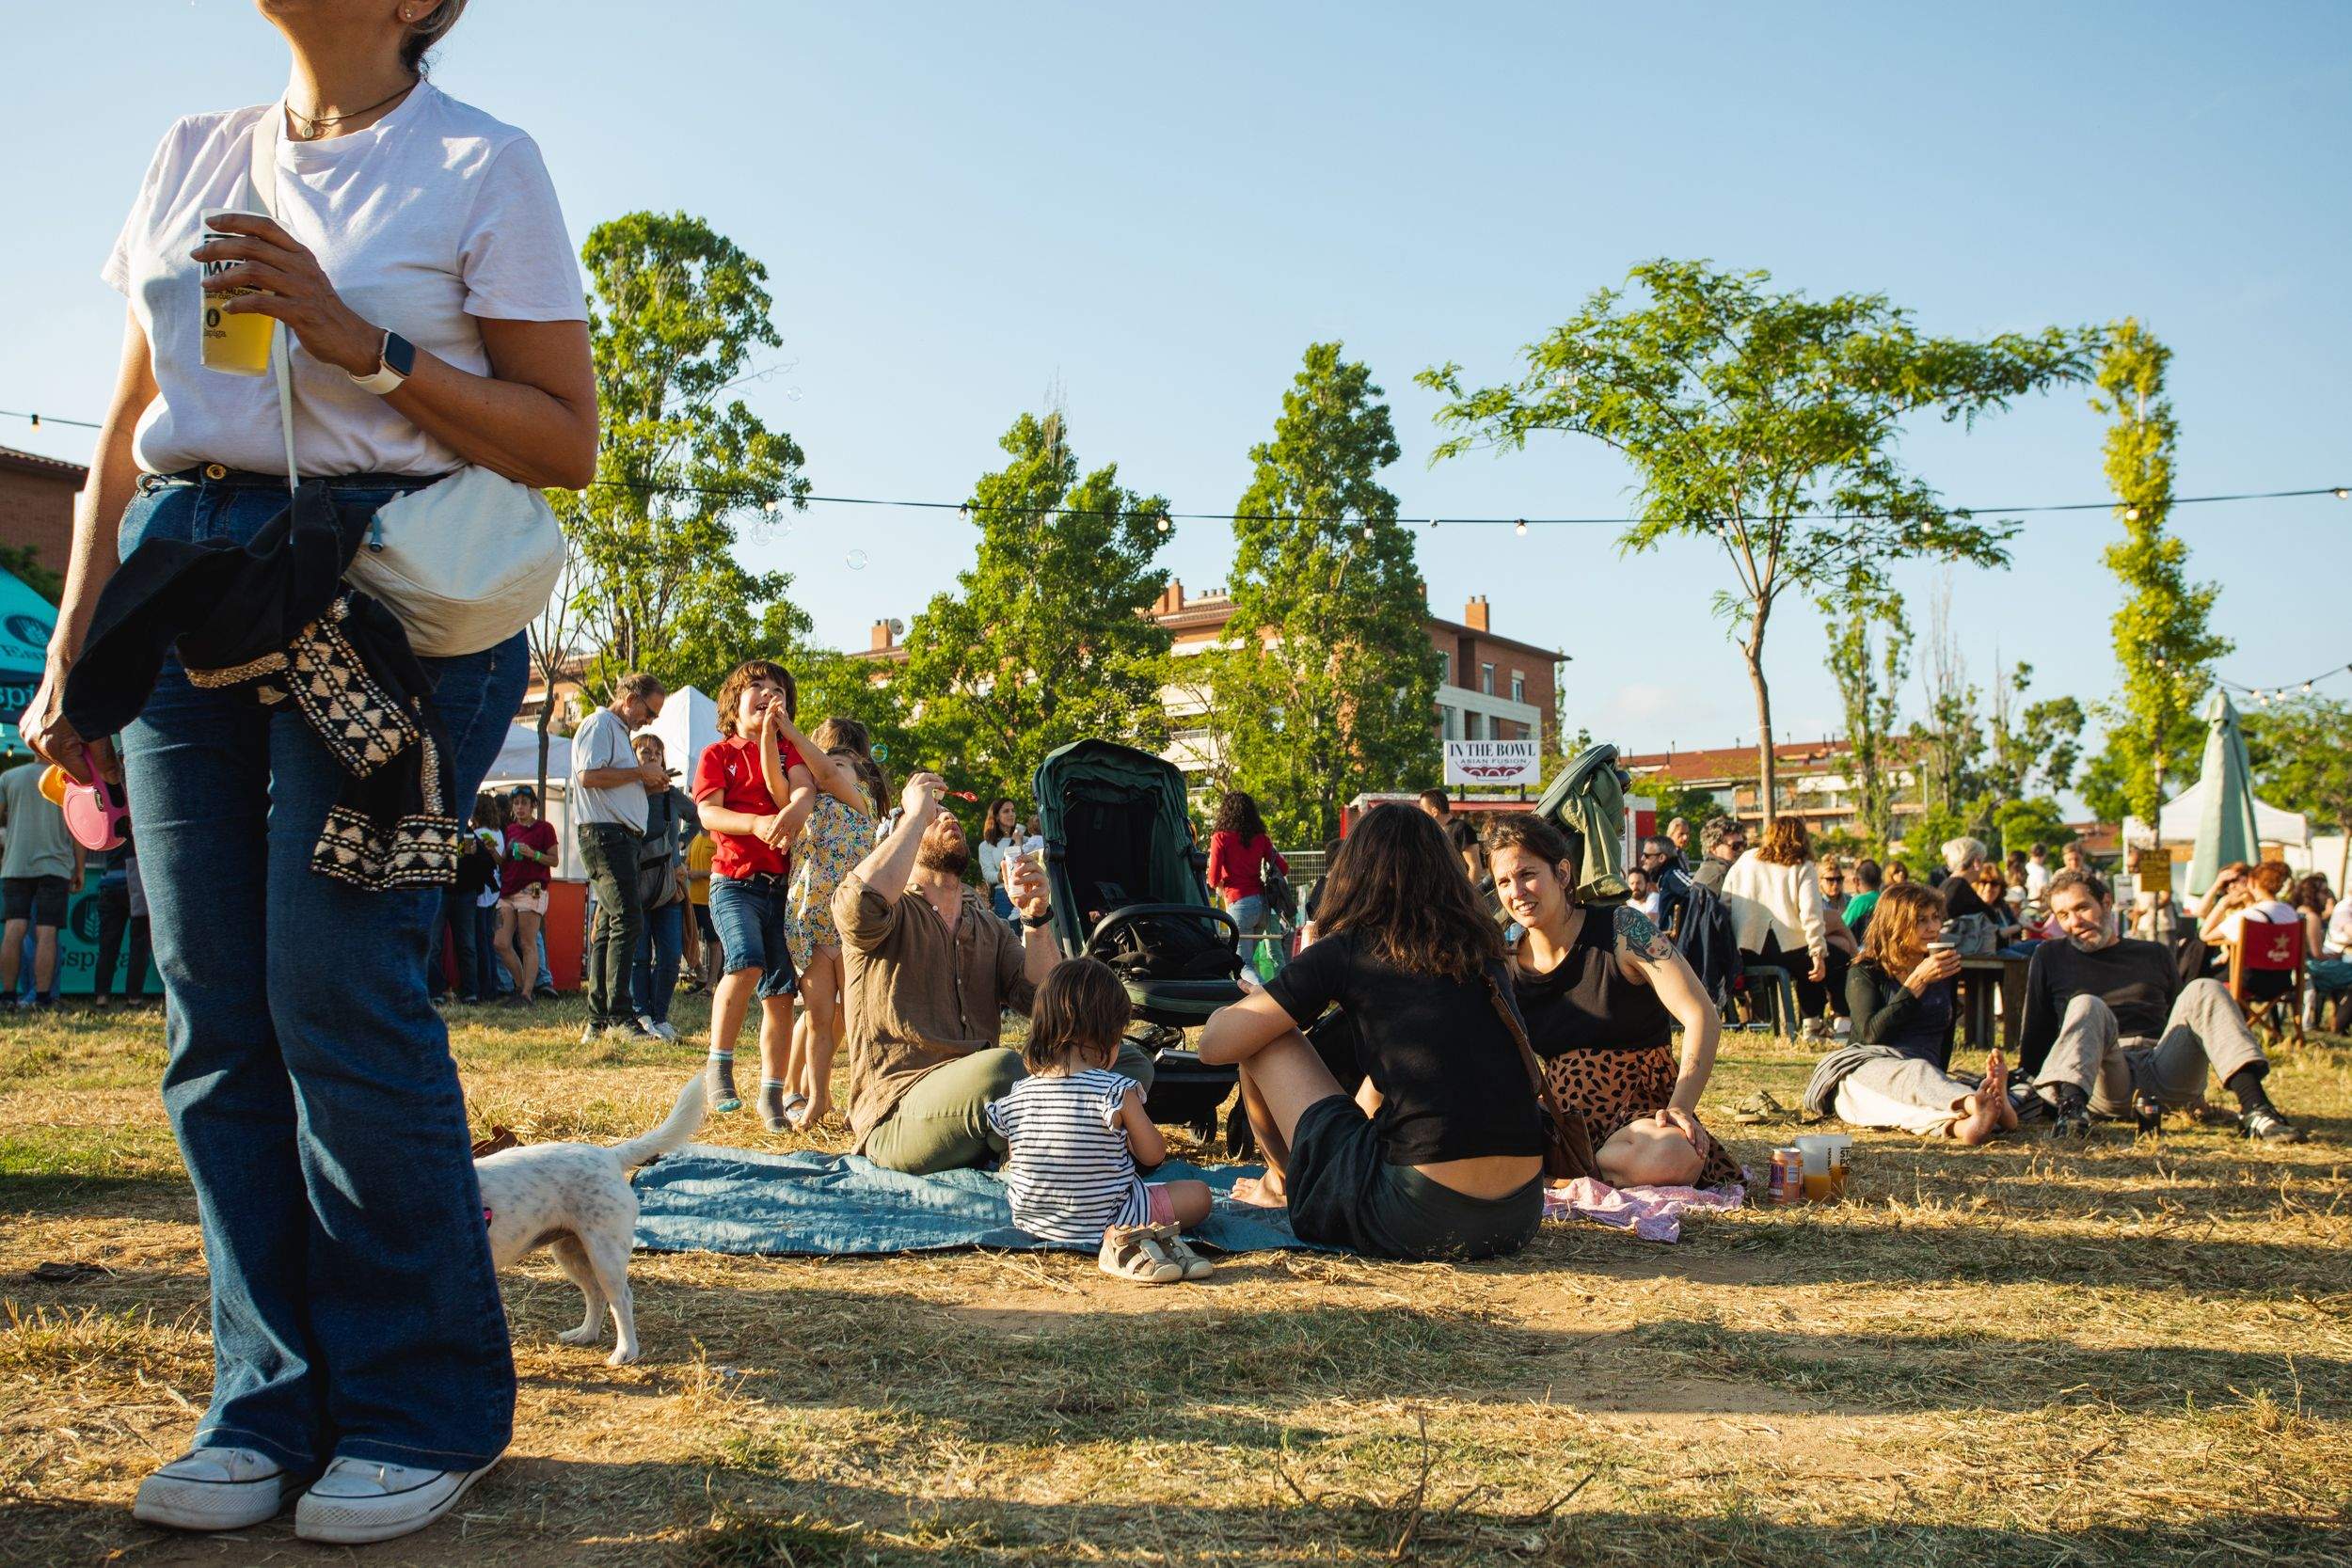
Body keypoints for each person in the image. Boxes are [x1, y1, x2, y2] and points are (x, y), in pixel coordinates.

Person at [18, 0, 598, 1539]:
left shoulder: (484, 160)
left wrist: (362, 341)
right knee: (216, 1009)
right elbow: (123, 428)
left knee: (337, 983)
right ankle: (265, 1403)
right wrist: (75, 647)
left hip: (387, 593)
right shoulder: (188, 151)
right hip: (187, 569)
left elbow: (566, 438)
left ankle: (424, 1406)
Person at [1197, 804, 1546, 1261]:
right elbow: (1421, 1071)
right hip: (1519, 1213)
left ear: (1355, 871)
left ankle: (1283, 1184)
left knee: (1261, 1038)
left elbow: (1215, 1046)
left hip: (1420, 1215)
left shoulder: (1352, 948)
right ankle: (1286, 1181)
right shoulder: (1483, 952)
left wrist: (1258, 998)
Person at [840, 770, 1145, 1174]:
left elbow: (1046, 1005)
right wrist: (914, 814)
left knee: (1127, 1060)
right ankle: (1070, 1146)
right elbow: (860, 905)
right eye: (930, 816)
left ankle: (1045, 1146)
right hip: (899, 1112)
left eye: (946, 813)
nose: (945, 816)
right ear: (902, 837)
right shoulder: (889, 914)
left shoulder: (987, 925)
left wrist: (1035, 918)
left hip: (992, 1099)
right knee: (1001, 1070)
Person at [1486, 813, 1737, 1190]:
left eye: (1527, 874)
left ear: (1563, 873)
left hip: (1639, 1115)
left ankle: (1561, 1179)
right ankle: (1569, 1174)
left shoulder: (1623, 929)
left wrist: (1681, 1106)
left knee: (1674, 1151)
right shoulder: (1505, 960)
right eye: (1504, 882)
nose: (1516, 892)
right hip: (1559, 1119)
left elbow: (1701, 1014)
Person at [2016, 871, 2305, 1143]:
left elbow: (2186, 1018)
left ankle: (2256, 1109)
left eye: (2081, 908)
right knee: (2086, 1003)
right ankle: (2072, 1114)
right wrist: (2035, 1093)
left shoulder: (2153, 952)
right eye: (2063, 915)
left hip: (2162, 1067)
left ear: (2106, 903)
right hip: (2103, 1075)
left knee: (2204, 988)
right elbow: (2036, 1036)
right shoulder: (2050, 956)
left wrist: (2198, 1098)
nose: (2074, 922)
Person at [692, 659, 852, 1129]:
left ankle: (772, 1093)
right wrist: (756, 824)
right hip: (733, 883)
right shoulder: (717, 754)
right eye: (756, 686)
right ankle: (718, 1066)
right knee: (744, 961)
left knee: (781, 995)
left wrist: (797, 809)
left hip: (780, 891)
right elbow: (709, 815)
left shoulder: (789, 755)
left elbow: (804, 793)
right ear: (732, 703)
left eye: (777, 688)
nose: (768, 692)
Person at [985, 958, 1215, 1281]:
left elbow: (1018, 1155)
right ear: (1109, 1037)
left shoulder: (1018, 1093)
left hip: (1034, 1221)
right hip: (1112, 1216)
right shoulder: (1116, 1091)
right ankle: (1125, 1239)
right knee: (1200, 1195)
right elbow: (1154, 1154)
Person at [1808, 883, 2014, 1144]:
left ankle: (1972, 1119)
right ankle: (1974, 1108)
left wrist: (1939, 1076)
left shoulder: (1942, 970)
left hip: (1927, 1078)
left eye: (1935, 917)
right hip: (1870, 1068)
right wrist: (1915, 984)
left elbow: (1945, 1036)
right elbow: (1870, 1035)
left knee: (1911, 1094)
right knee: (1894, 1091)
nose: (1934, 927)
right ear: (1895, 924)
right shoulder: (1865, 971)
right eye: (1921, 920)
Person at [781, 717, 888, 1131]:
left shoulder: (857, 801)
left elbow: (825, 771)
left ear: (859, 775)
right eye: (826, 763)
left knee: (858, 1020)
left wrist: (785, 728)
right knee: (818, 1016)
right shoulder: (805, 803)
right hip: (809, 924)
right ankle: (816, 1097)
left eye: (842, 764)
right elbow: (786, 782)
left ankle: (858, 1099)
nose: (829, 769)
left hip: (847, 927)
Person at [570, 673, 668, 1043]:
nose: (650, 721)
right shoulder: (599, 724)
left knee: (612, 924)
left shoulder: (615, 731)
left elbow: (607, 777)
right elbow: (589, 775)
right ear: (630, 698)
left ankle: (600, 1020)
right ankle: (618, 1017)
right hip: (605, 835)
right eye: (650, 711)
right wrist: (639, 773)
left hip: (616, 836)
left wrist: (644, 781)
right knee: (627, 918)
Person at [1723, 817, 1839, 1028]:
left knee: (1810, 960)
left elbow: (1725, 903)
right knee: (1834, 959)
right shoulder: (1802, 866)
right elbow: (1811, 913)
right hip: (1788, 948)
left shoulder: (1746, 859)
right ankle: (1816, 1023)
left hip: (1746, 950)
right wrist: (1817, 952)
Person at [1, 759, 83, 1010]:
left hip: (16, 864)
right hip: (54, 866)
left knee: (14, 929)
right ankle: (43, 998)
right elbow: (78, 829)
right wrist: (79, 868)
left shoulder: (9, 777)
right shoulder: (68, 780)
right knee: (46, 932)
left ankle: (7, 998)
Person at [628, 733, 692, 1042]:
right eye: (644, 752)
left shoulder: (672, 796)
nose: (652, 756)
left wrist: (681, 846)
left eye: (657, 752)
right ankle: (641, 1015)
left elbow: (699, 817)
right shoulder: (626, 794)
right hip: (636, 885)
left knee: (670, 954)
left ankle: (660, 1016)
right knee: (639, 956)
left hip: (668, 887)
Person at [495, 785, 557, 1005]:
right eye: (516, 803)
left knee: (527, 942)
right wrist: (492, 850)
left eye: (524, 802)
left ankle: (526, 994)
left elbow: (554, 860)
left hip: (531, 889)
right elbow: (504, 861)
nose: (519, 807)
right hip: (508, 890)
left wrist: (534, 853)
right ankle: (522, 988)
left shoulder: (545, 828)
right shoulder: (510, 829)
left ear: (533, 805)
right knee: (500, 942)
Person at [1207, 789, 1288, 935]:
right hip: (1262, 906)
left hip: (1239, 906)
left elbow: (1212, 880)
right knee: (1247, 956)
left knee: (1242, 958)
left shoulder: (1220, 838)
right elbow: (1284, 868)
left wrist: (1223, 884)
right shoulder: (1261, 838)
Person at [91, 830, 154, 1006]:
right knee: (139, 944)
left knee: (107, 945)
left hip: (110, 880)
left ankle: (101, 996)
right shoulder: (139, 814)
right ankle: (134, 998)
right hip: (137, 882)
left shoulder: (110, 816)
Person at [2201, 860, 2296, 948]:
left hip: (2252, 964)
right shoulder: (2290, 912)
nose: (2231, 886)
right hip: (2283, 964)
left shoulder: (2247, 916)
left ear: (2253, 882)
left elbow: (2205, 935)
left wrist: (2222, 905)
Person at [977, 798, 1024, 923]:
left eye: (1013, 810)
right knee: (1011, 937)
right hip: (1004, 894)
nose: (1011, 814)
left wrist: (1019, 841)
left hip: (1028, 890)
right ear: (996, 816)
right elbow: (988, 875)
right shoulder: (986, 846)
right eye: (1006, 811)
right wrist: (1009, 874)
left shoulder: (1026, 840)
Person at [1636, 834, 1692, 937]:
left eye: (1647, 855)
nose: (1643, 859)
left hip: (1675, 943)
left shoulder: (1672, 875)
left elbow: (1697, 890)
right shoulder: (1664, 877)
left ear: (1661, 857)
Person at [1691, 816, 1746, 895]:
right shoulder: (1720, 876)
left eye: (1743, 844)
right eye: (1735, 845)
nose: (1741, 849)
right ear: (1714, 847)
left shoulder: (1707, 870)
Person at [1843, 860, 1884, 938]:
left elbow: (1841, 927)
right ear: (1880, 881)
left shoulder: (1860, 901)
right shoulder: (1885, 900)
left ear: (1856, 881)